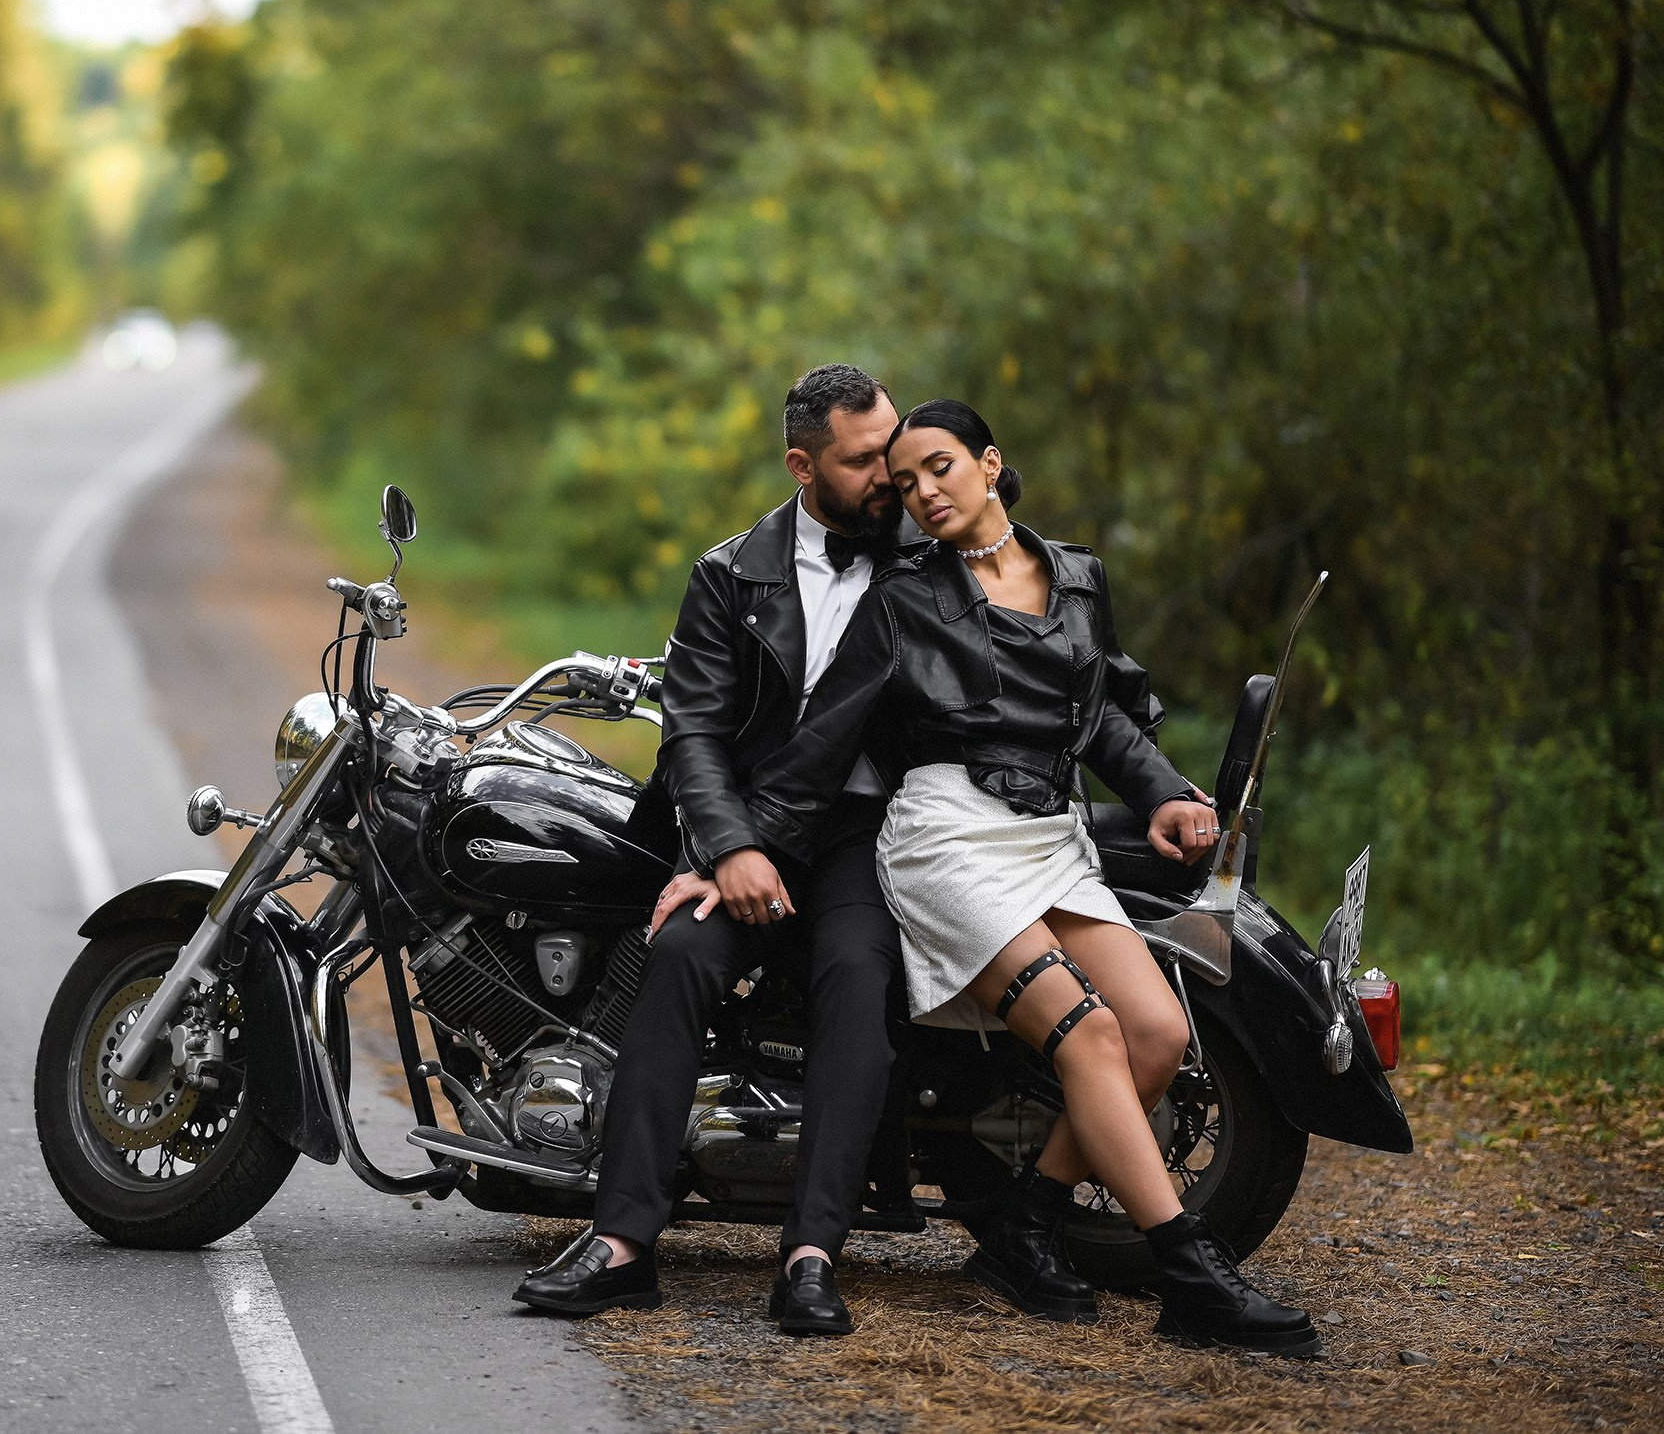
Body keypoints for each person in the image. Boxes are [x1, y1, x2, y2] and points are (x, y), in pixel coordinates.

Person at [741, 398, 1322, 1356]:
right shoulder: (905, 599)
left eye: (940, 467)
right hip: (947, 840)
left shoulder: (1079, 578)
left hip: (1052, 837)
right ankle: (1191, 1273)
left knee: (1158, 1034)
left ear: (990, 462)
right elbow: (822, 739)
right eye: (906, 479)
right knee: (1088, 1034)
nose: (921, 492)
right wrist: (739, 849)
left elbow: (1100, 719)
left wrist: (1168, 793)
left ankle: (1022, 1223)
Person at [514, 364, 918, 1336]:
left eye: (891, 451)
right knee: (679, 956)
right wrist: (728, 848)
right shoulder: (729, 573)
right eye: (863, 460)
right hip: (741, 834)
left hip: (861, 837)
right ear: (800, 463)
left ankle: (813, 1255)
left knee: (857, 982)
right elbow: (690, 731)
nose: (888, 475)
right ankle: (620, 1244)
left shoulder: (924, 562)